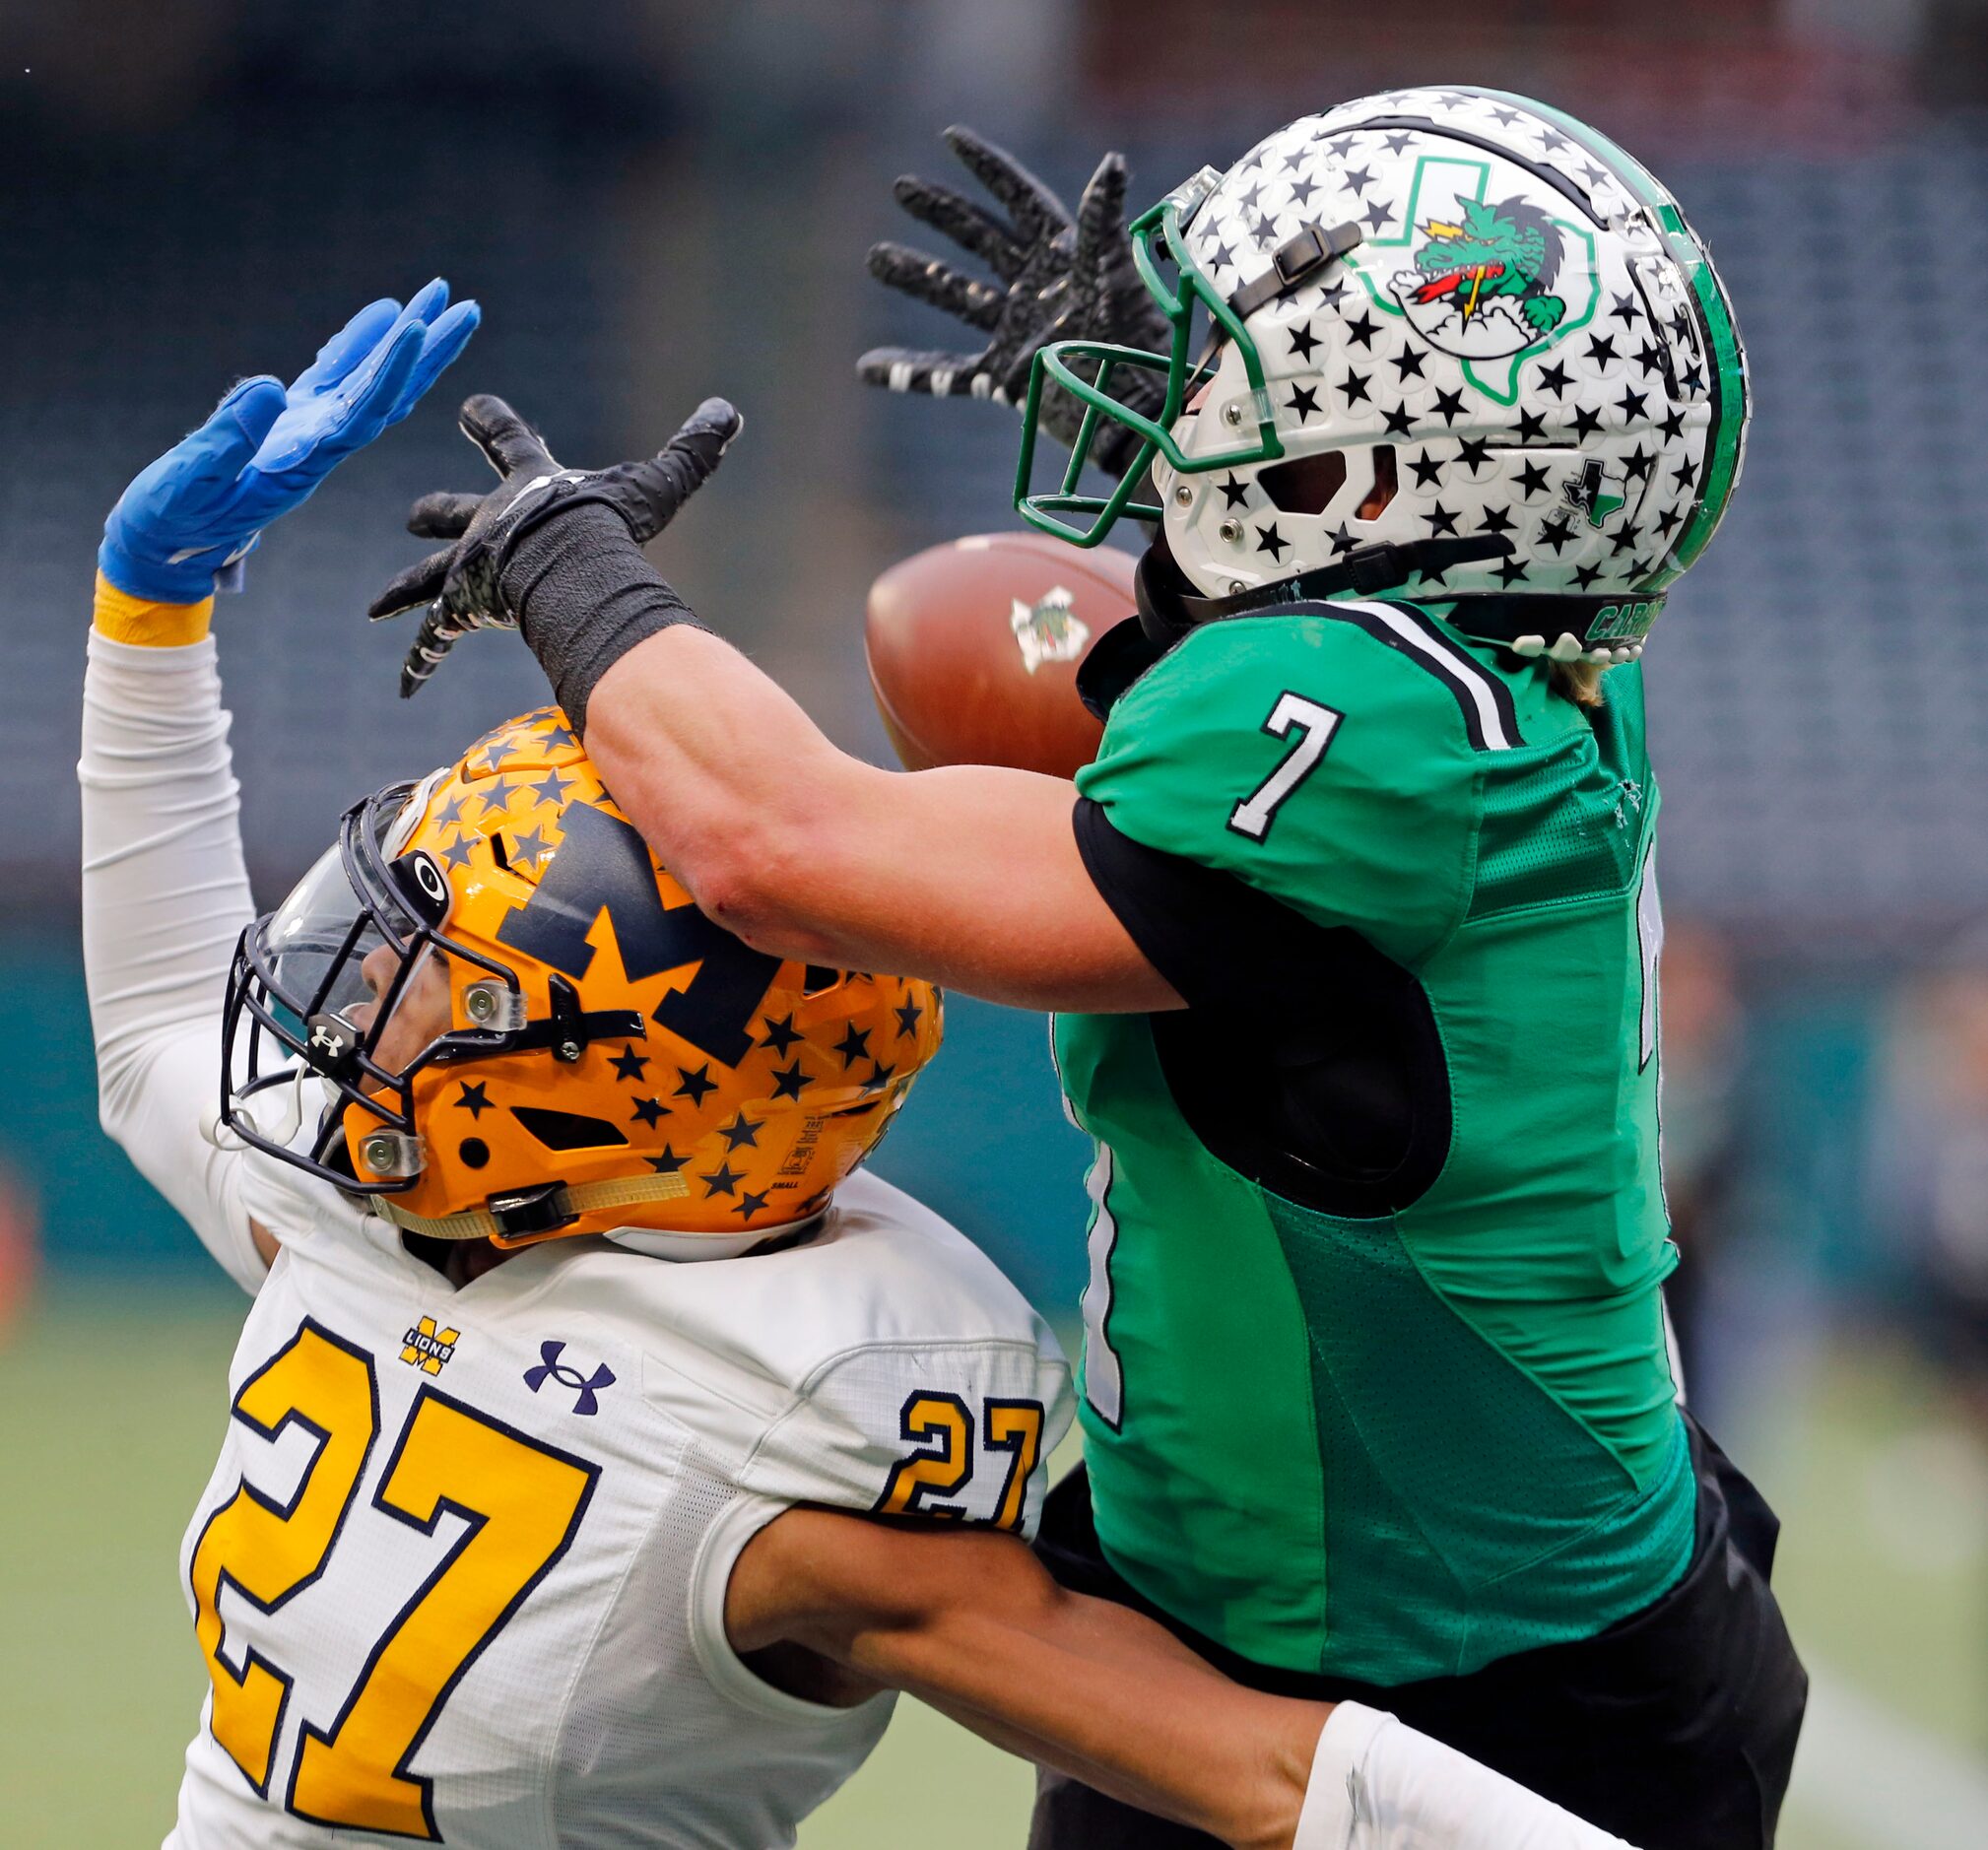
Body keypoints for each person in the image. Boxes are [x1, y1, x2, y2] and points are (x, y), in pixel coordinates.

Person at [368, 89, 1808, 1847]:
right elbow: (1169, 643)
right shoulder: (1502, 643)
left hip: (1472, 1682)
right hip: (1281, 1602)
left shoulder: (1364, 732)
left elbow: (778, 848)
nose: (1187, 393)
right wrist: (1227, 433)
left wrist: (572, 571)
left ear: (1372, 478)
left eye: (1246, 374)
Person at [85, 298, 1636, 1850]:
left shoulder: (768, 1466)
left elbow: (1269, 1775)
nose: (363, 987)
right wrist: (149, 614)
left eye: (440, 978)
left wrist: (141, 630)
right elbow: (1280, 1776)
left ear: (625, 1088)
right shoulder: (415, 1225)